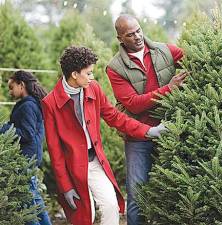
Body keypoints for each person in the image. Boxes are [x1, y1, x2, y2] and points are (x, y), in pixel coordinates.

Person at [41, 46, 166, 225]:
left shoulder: (94, 89)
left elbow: (115, 117)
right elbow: (55, 150)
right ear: (75, 74)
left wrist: (148, 131)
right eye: (89, 73)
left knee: (111, 206)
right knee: (85, 217)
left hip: (94, 162)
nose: (92, 78)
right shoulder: (50, 103)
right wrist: (65, 186)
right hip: (72, 169)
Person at [106, 14, 187, 225]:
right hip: (138, 137)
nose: (137, 37)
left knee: (176, 190)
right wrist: (170, 88)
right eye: (130, 34)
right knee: (137, 193)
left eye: (138, 30)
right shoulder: (115, 67)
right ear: (120, 38)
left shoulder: (165, 51)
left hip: (171, 132)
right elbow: (133, 103)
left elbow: (197, 59)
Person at [0, 70, 52, 225]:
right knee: (34, 199)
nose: (9, 91)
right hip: (30, 158)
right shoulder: (31, 104)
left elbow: (27, 134)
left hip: (25, 160)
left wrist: (5, 129)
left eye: (11, 87)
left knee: (27, 203)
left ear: (21, 85)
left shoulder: (28, 106)